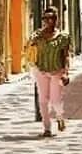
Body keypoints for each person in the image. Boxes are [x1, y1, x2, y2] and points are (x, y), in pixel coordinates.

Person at [27, 7, 71, 137]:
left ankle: (59, 117)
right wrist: (32, 41)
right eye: (45, 18)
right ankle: (47, 128)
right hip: (41, 70)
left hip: (56, 70)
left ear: (56, 20)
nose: (48, 21)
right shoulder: (38, 35)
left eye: (51, 18)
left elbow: (65, 55)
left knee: (55, 99)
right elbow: (29, 46)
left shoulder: (63, 37)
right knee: (42, 99)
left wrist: (66, 72)